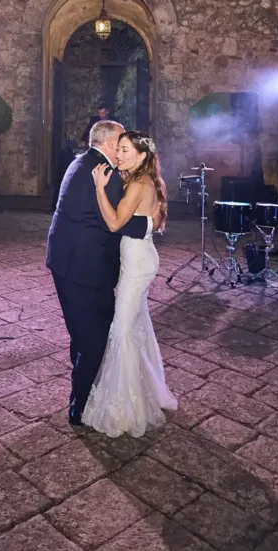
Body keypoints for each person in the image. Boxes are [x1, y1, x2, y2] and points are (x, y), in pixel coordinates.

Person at [46, 120, 151, 425]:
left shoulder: (79, 161)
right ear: (109, 143)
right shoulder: (105, 173)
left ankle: (82, 389)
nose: (122, 149)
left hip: (63, 260)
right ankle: (80, 405)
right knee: (95, 337)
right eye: (120, 143)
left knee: (80, 332)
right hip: (88, 268)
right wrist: (150, 223)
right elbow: (114, 221)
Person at [82, 131, 177, 437]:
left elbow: (114, 223)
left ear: (141, 156)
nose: (119, 155)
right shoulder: (145, 180)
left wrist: (99, 188)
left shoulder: (138, 184)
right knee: (136, 324)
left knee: (121, 328)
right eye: (119, 149)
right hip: (139, 259)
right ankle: (146, 390)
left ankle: (127, 407)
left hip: (137, 265)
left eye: (125, 150)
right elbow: (153, 223)